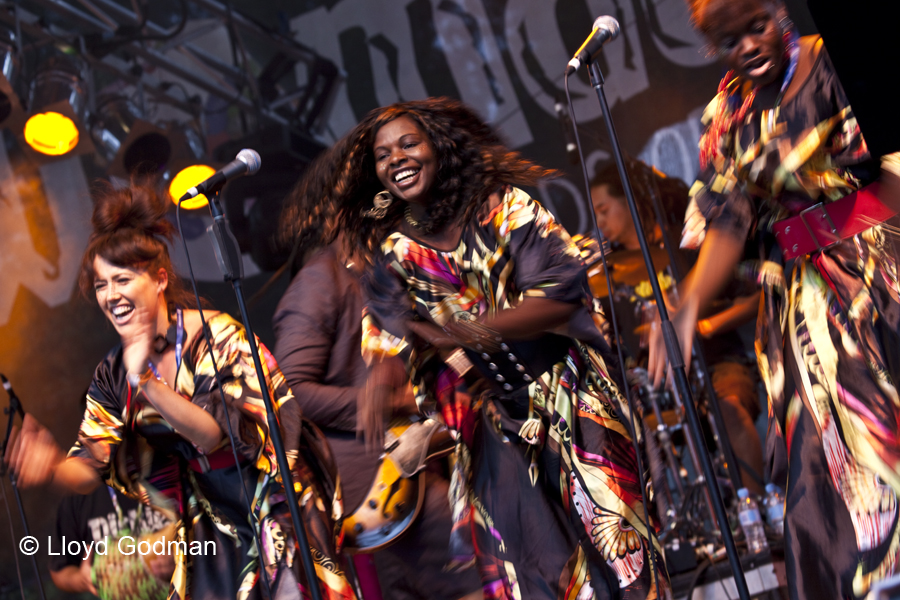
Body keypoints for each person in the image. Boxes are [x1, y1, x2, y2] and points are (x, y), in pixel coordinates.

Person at [302, 96, 669, 599]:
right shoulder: (394, 254)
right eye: (384, 155)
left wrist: (466, 331)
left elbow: (558, 296)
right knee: (542, 576)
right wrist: (380, 378)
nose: (397, 159)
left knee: (623, 559)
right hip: (499, 424)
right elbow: (389, 337)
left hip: (571, 397)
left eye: (409, 143)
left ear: (439, 147)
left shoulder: (503, 207)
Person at [648, 1, 900, 597]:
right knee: (823, 462)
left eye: (756, 27)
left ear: (777, 12)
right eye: (731, 40)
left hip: (876, 279)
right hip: (801, 306)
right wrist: (686, 305)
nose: (749, 47)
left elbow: (891, 176)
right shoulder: (727, 113)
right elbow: (727, 225)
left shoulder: (833, 65)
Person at [4, 183, 354, 600]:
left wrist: (148, 384)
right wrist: (52, 468)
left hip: (269, 492)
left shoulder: (215, 335)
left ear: (159, 280)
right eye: (101, 285)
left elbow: (211, 436)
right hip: (211, 513)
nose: (111, 295)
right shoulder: (112, 375)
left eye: (122, 279)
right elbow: (90, 463)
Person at [272, 170, 482, 600]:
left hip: (422, 466)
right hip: (375, 481)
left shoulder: (388, 273)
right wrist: (393, 403)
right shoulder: (318, 282)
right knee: (477, 577)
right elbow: (290, 391)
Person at [590, 159, 764, 495]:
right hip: (657, 381)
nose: (600, 222)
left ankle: (758, 514)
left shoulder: (688, 247)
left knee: (728, 408)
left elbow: (757, 299)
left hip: (718, 364)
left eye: (604, 209)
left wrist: (705, 325)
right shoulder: (605, 276)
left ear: (629, 201)